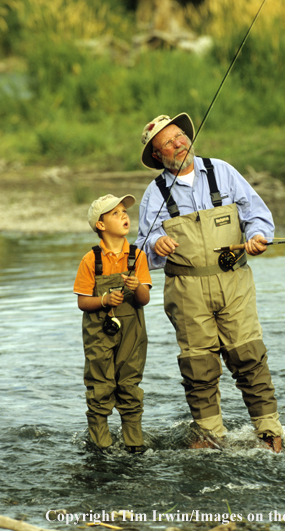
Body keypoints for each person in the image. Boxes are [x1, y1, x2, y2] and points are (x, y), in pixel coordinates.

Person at [136, 113, 282, 452]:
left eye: (180, 137)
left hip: (234, 283)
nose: (178, 144)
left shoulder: (223, 172)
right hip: (186, 292)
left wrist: (259, 236)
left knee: (249, 356)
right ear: (158, 156)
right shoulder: (153, 194)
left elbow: (257, 215)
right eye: (168, 143)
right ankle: (210, 435)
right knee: (198, 365)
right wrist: (156, 244)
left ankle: (269, 432)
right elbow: (143, 251)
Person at [74, 194, 152, 453]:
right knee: (100, 386)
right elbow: (83, 303)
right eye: (115, 214)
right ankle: (101, 446)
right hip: (99, 334)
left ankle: (134, 445)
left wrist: (137, 286)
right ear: (101, 225)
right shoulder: (90, 260)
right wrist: (105, 299)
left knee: (129, 385)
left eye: (124, 212)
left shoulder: (138, 256)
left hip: (133, 332)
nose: (124, 216)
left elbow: (144, 299)